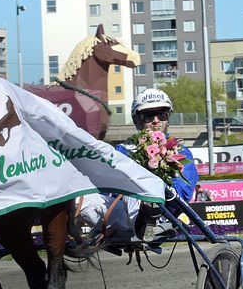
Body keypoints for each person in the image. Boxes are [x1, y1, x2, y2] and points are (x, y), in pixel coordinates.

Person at [74, 88, 198, 245]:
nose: (155, 120)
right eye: (148, 116)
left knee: (141, 186)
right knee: (77, 198)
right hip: (124, 214)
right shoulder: (123, 150)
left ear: (168, 118)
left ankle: (147, 220)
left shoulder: (180, 152)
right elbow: (104, 189)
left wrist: (159, 181)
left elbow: (183, 193)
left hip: (163, 215)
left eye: (162, 114)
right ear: (137, 120)